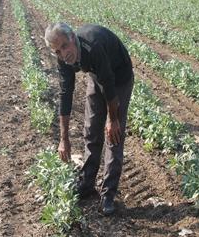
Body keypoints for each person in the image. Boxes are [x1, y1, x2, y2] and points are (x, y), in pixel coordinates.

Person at [44, 22, 134, 216]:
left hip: (119, 76)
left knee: (114, 136)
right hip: (97, 73)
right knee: (92, 129)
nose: (63, 53)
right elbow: (65, 94)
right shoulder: (63, 58)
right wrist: (63, 138)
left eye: (64, 46)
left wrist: (113, 119)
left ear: (72, 39)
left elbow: (109, 85)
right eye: (57, 51)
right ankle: (86, 183)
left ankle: (108, 194)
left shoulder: (92, 46)